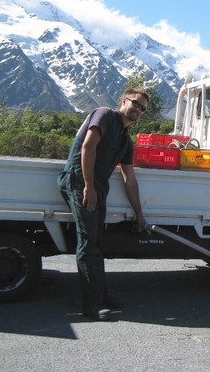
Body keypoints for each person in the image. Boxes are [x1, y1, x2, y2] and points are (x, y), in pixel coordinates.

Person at [58, 88, 149, 321]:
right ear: (123, 101)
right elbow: (88, 147)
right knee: (88, 242)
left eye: (142, 109)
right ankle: (91, 304)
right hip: (80, 181)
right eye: (135, 104)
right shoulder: (105, 115)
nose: (137, 110)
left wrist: (139, 215)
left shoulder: (126, 141)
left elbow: (130, 179)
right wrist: (88, 186)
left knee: (96, 241)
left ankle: (99, 292)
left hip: (98, 188)